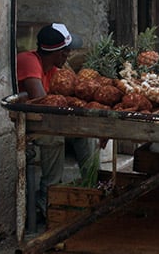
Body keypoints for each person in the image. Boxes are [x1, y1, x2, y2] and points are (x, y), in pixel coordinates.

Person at [17, 23, 98, 221]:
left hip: (47, 120)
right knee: (54, 140)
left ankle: (91, 189)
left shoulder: (53, 67)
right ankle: (48, 198)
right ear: (57, 53)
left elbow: (65, 93)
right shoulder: (29, 60)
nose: (68, 56)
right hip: (26, 123)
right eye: (66, 52)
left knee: (84, 134)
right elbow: (43, 100)